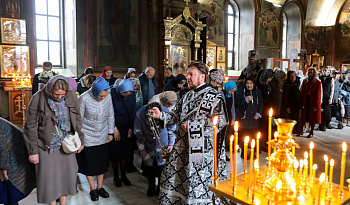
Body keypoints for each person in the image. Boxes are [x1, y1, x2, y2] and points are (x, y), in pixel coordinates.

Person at [148, 62, 227, 204]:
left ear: (202, 77)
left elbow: (220, 122)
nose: (188, 78)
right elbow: (175, 116)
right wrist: (160, 115)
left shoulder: (214, 96)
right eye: (187, 74)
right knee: (174, 177)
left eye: (191, 74)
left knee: (196, 183)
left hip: (202, 151)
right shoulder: (187, 95)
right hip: (183, 146)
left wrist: (192, 126)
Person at [23, 75, 84, 205]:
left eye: (62, 94)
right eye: (56, 94)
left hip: (67, 144)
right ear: (50, 89)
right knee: (49, 179)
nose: (59, 97)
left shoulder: (72, 96)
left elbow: (77, 120)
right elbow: (30, 126)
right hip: (46, 146)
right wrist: (33, 151)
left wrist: (81, 141)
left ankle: (63, 203)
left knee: (67, 177)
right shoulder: (38, 98)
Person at [77, 77, 114, 201]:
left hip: (102, 134)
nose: (102, 98)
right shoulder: (84, 98)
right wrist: (80, 138)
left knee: (101, 163)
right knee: (90, 164)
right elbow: (79, 120)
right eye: (100, 96)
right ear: (95, 91)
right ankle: (92, 188)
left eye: (104, 96)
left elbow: (110, 114)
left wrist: (110, 133)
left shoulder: (108, 96)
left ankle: (100, 187)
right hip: (87, 135)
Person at [134, 94, 176, 197]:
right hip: (148, 144)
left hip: (164, 144)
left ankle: (160, 188)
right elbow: (138, 133)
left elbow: (171, 129)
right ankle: (151, 186)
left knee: (162, 168)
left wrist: (171, 144)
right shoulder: (140, 113)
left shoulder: (166, 111)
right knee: (149, 168)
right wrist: (141, 149)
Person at [0, 117, 36, 205]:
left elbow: (2, 148)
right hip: (12, 159)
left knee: (10, 193)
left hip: (15, 160)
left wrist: (3, 168)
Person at [110, 79, 137, 187]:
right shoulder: (111, 93)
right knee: (115, 152)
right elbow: (109, 112)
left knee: (124, 152)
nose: (126, 96)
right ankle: (116, 176)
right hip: (113, 125)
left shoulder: (131, 94)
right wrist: (114, 128)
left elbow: (133, 111)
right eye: (124, 93)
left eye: (128, 94)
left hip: (126, 126)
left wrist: (131, 127)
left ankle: (123, 175)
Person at [235, 76, 263, 158]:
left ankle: (252, 151)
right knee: (244, 136)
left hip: (254, 119)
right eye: (247, 83)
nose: (249, 85)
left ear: (254, 84)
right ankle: (244, 152)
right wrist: (246, 100)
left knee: (253, 136)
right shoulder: (241, 91)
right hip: (244, 119)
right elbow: (238, 103)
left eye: (251, 83)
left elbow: (260, 104)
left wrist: (258, 114)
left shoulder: (257, 92)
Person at [300, 67, 322, 138]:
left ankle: (311, 132)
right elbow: (301, 91)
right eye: (309, 72)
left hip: (313, 101)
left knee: (312, 118)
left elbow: (318, 94)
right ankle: (301, 131)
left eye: (312, 73)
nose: (310, 74)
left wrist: (316, 105)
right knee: (304, 116)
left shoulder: (318, 82)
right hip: (305, 100)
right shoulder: (305, 81)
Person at [257, 69, 274, 151]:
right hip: (262, 110)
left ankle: (264, 143)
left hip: (267, 110)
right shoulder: (260, 85)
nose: (270, 80)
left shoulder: (268, 85)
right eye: (269, 78)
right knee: (261, 128)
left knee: (266, 128)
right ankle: (260, 144)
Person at [281, 71, 303, 135]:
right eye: (292, 76)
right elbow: (286, 97)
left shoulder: (295, 84)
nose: (293, 78)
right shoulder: (286, 85)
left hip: (296, 106)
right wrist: (287, 107)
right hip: (290, 106)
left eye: (294, 76)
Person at [222, 81, 237, 155]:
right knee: (224, 135)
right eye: (231, 91)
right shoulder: (221, 94)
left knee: (229, 133)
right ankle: (223, 152)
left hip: (230, 116)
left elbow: (233, 106)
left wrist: (233, 118)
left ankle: (229, 147)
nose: (231, 93)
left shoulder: (232, 95)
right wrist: (225, 119)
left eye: (233, 91)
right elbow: (221, 108)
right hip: (224, 117)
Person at [318, 67, 334, 131]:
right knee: (320, 112)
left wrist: (331, 98)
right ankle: (320, 125)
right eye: (323, 70)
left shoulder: (330, 79)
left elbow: (332, 89)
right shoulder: (320, 78)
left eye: (325, 70)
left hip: (327, 97)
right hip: (321, 97)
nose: (324, 71)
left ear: (328, 71)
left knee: (326, 113)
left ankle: (324, 125)